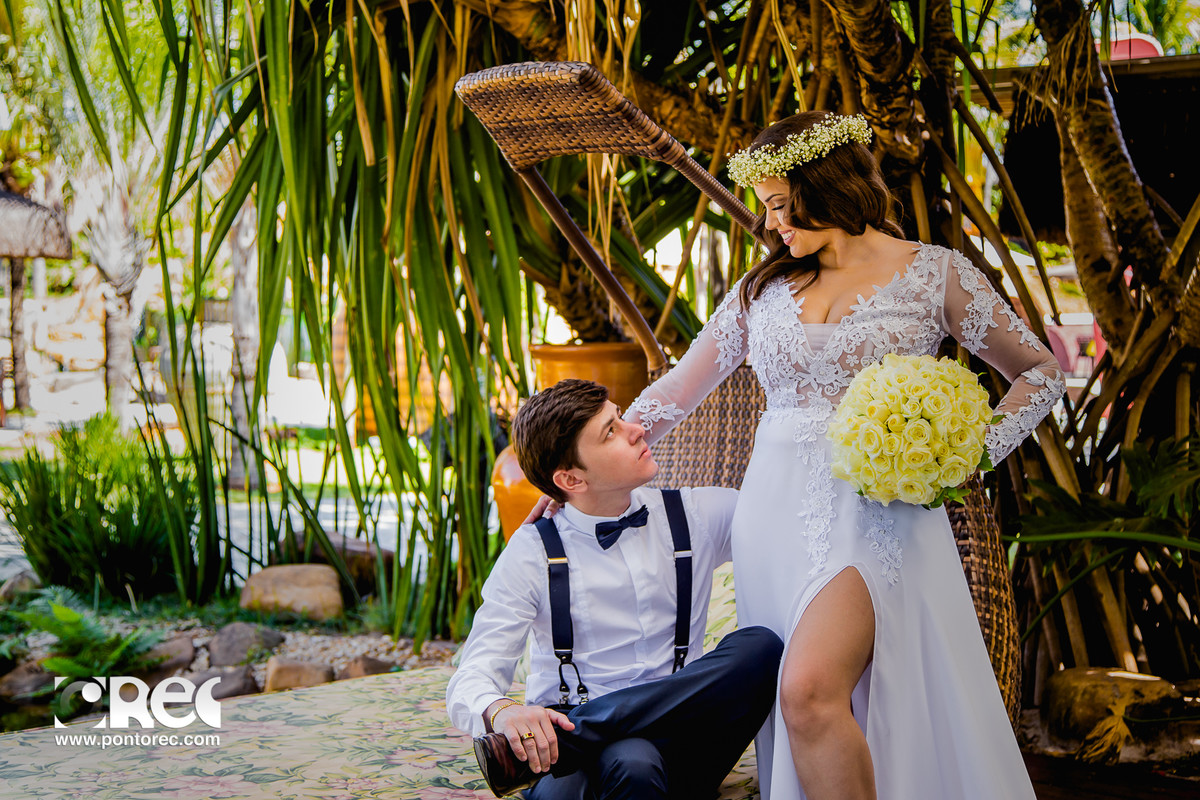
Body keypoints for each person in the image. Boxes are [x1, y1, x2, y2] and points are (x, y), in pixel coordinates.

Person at [623, 111, 1064, 800]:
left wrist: (965, 452)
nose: (770, 225)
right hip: (773, 516)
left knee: (808, 692)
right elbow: (681, 387)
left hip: (880, 513)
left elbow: (1039, 374)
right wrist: (595, 457)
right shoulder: (760, 291)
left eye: (777, 205)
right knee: (811, 707)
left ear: (823, 186)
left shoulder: (934, 273)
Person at [446, 378, 784, 799]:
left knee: (761, 648)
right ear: (570, 480)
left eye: (619, 417)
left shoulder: (698, 514)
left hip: (677, 740)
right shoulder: (532, 552)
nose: (636, 429)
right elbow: (470, 677)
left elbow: (792, 524)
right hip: (575, 755)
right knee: (631, 761)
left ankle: (577, 734)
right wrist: (500, 710)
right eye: (611, 431)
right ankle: (576, 736)